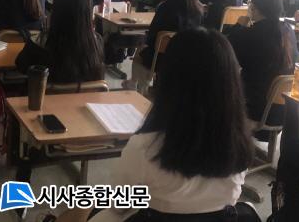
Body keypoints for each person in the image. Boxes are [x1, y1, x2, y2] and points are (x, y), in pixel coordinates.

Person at [86, 29, 254, 221]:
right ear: (231, 84)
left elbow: (118, 204)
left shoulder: (146, 147)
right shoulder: (240, 143)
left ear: (169, 78)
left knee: (88, 209)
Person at [133, 0, 204, 93]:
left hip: (161, 58)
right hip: (187, 58)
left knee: (139, 50)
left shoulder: (165, 6)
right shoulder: (199, 9)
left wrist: (143, 40)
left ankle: (136, 86)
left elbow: (152, 36)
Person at [228, 0, 296, 123]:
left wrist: (238, 27)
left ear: (254, 8)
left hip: (253, 109)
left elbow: (226, 57)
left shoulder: (250, 34)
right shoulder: (288, 31)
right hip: (284, 111)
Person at [15, 0, 104, 84]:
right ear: (88, 13)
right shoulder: (97, 42)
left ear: (56, 10)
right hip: (86, 94)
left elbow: (21, 66)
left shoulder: (39, 43)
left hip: (45, 94)